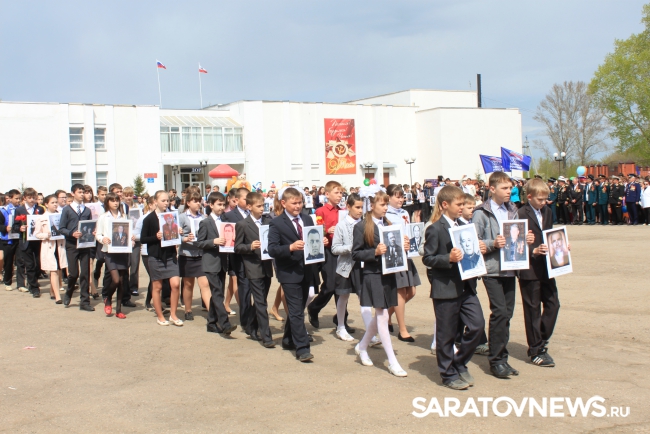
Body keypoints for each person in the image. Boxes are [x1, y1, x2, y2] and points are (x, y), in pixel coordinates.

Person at [423, 185, 486, 390]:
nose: (462, 207)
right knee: (446, 334)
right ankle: (448, 373)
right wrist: (447, 258)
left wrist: (479, 249)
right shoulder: (435, 228)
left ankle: (459, 362)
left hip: (466, 286)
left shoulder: (464, 225)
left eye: (463, 204)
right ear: (444, 205)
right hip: (446, 288)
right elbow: (428, 258)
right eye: (458, 204)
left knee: (477, 325)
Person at [472, 171, 534, 379]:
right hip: (492, 270)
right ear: (492, 189)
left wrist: (527, 239)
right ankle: (496, 360)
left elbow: (516, 237)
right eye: (505, 188)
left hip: (510, 267)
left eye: (510, 188)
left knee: (507, 314)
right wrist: (493, 244)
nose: (510, 192)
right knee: (499, 313)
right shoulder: (481, 213)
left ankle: (502, 358)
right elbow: (474, 241)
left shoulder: (512, 210)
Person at [351, 189, 408, 377]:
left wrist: (404, 247)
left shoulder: (389, 223)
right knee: (382, 316)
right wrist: (374, 252)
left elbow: (395, 249)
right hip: (372, 274)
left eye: (385, 204)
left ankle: (362, 346)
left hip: (388, 274)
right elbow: (356, 253)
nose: (385, 207)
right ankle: (392, 361)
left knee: (381, 316)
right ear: (372, 205)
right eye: (382, 204)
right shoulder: (361, 227)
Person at [268, 187, 321, 362]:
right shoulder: (276, 223)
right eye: (294, 203)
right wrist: (290, 247)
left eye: (300, 202)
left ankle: (288, 339)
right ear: (284, 203)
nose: (298, 206)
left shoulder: (306, 219)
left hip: (306, 270)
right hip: (289, 272)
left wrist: (321, 242)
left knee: (298, 308)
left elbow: (313, 240)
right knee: (296, 310)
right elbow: (272, 249)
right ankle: (302, 348)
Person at [516, 178, 562, 367]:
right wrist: (532, 250)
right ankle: (536, 350)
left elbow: (550, 234)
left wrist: (560, 246)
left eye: (546, 199)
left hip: (546, 265)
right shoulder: (520, 213)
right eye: (540, 199)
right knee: (532, 308)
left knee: (553, 304)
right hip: (529, 267)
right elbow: (516, 242)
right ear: (530, 197)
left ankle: (540, 339)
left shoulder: (548, 212)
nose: (544, 202)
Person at [308, 181, 351, 332]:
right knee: (330, 285)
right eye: (336, 192)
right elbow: (316, 232)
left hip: (342, 250)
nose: (339, 196)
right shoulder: (321, 211)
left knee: (343, 287)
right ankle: (314, 307)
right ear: (327, 194)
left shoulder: (344, 211)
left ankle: (342, 320)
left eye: (341, 193)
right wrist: (326, 230)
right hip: (328, 251)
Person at [234, 192, 275, 347]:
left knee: (261, 300)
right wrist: (250, 246)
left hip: (266, 266)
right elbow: (237, 247)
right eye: (258, 206)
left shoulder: (268, 221)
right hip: (252, 267)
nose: (261, 209)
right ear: (249, 207)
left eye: (263, 205)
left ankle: (250, 325)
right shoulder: (243, 224)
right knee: (260, 302)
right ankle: (266, 336)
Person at [141, 191, 184, 326]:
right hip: (156, 256)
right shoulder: (149, 219)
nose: (166, 203)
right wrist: (156, 236)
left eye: (167, 200)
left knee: (176, 284)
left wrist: (178, 232)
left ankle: (173, 314)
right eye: (163, 200)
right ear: (155, 202)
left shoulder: (172, 216)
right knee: (157, 286)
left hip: (170, 255)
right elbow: (143, 238)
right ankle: (160, 316)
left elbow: (174, 236)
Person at [384, 184, 420, 343]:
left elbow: (410, 232)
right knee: (399, 292)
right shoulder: (386, 215)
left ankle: (387, 315)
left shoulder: (405, 212)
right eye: (397, 196)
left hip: (408, 255)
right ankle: (403, 329)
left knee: (411, 292)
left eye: (402, 196)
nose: (400, 199)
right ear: (389, 197)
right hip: (396, 257)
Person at [331, 193, 366, 342]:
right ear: (349, 207)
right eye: (357, 207)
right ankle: (340, 326)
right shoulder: (341, 225)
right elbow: (335, 248)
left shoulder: (365, 224)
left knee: (365, 298)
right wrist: (350, 248)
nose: (360, 211)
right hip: (346, 266)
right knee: (343, 296)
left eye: (362, 208)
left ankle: (369, 331)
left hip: (362, 266)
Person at [223, 187, 256, 334]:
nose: (248, 201)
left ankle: (254, 317)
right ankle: (246, 321)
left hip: (254, 257)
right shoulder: (229, 216)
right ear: (236, 200)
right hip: (238, 257)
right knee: (244, 288)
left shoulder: (254, 214)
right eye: (245, 198)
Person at [95, 192, 133, 319]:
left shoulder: (124, 216)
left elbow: (128, 232)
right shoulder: (103, 217)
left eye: (117, 200)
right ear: (107, 203)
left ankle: (118, 309)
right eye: (112, 201)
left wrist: (131, 239)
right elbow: (98, 234)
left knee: (122, 281)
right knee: (115, 279)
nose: (115, 203)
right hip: (110, 252)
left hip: (123, 252)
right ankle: (108, 298)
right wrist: (103, 239)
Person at [58, 184, 95, 309]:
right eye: (79, 192)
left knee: (85, 273)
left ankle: (85, 301)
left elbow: (90, 225)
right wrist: (71, 233)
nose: (82, 194)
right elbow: (61, 228)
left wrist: (92, 232)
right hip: (71, 245)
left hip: (85, 245)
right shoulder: (67, 210)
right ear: (73, 193)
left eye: (83, 192)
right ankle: (69, 292)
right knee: (73, 273)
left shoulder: (87, 210)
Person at [178, 190, 212, 321]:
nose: (198, 203)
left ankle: (211, 312)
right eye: (195, 201)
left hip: (200, 254)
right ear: (188, 203)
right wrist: (184, 238)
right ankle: (188, 309)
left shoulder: (203, 217)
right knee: (188, 284)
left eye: (199, 201)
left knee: (204, 284)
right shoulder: (182, 217)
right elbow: (174, 235)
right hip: (186, 254)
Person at [34, 194, 67, 304]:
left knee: (58, 269)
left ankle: (52, 291)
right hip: (49, 246)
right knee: (53, 270)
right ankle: (58, 296)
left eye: (56, 202)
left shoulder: (61, 215)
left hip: (60, 246)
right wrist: (46, 235)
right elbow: (36, 234)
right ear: (46, 204)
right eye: (52, 203)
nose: (55, 205)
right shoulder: (42, 218)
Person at [12, 188, 45, 297]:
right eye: (30, 198)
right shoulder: (20, 210)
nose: (32, 200)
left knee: (38, 264)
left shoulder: (40, 209)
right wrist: (20, 228)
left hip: (37, 240)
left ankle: (34, 281)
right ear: (25, 198)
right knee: (29, 265)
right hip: (25, 240)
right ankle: (34, 287)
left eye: (34, 198)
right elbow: (15, 226)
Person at [1, 189, 21, 291]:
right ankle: (7, 281)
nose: (18, 200)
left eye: (19, 198)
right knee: (8, 262)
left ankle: (21, 283)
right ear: (10, 198)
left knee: (20, 261)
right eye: (16, 198)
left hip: (19, 238)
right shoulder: (3, 210)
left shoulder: (21, 209)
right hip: (7, 239)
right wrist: (5, 228)